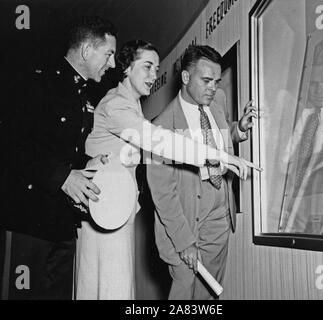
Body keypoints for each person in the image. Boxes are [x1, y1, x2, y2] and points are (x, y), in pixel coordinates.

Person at [75, 40, 260, 300]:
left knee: (117, 287)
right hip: (105, 207)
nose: (154, 76)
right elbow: (160, 145)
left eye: (156, 68)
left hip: (122, 208)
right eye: (147, 67)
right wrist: (221, 157)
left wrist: (237, 130)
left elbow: (211, 133)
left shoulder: (134, 104)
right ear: (126, 68)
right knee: (107, 288)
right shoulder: (121, 106)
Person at [0, 16, 117, 299]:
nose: (112, 64)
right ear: (87, 50)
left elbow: (63, 152)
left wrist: (87, 167)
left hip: (63, 224)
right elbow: (11, 145)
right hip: (28, 220)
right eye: (109, 54)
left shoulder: (84, 96)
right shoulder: (35, 82)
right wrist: (63, 177)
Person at [146, 45, 257, 300]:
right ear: (185, 78)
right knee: (185, 293)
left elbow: (216, 138)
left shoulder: (216, 100)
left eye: (216, 81)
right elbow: (163, 195)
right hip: (184, 217)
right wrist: (185, 242)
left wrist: (238, 129)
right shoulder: (160, 129)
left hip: (219, 208)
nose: (213, 88)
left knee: (209, 292)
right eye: (206, 80)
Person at [279, 42, 323, 234]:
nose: (318, 90)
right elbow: (283, 165)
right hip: (290, 210)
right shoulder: (304, 116)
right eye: (314, 84)